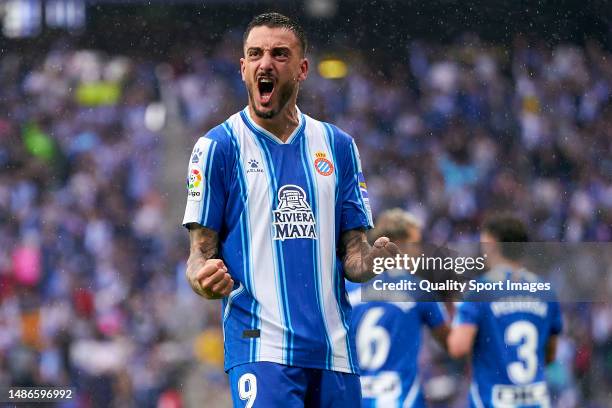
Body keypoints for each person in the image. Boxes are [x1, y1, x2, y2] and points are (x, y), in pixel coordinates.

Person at [181, 12, 399, 408]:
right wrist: (202, 277)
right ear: (243, 67)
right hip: (261, 348)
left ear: (301, 70)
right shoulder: (218, 148)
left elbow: (352, 256)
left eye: (279, 54)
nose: (266, 63)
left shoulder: (338, 146)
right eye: (256, 54)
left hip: (335, 350)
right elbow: (199, 255)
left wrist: (371, 261)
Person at [448, 214, 563, 408]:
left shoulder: (480, 290)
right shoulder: (545, 290)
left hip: (493, 400)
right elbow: (550, 355)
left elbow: (458, 347)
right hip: (535, 401)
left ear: (491, 244)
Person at [348, 209, 450, 407]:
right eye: (416, 243)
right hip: (402, 399)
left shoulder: (348, 288)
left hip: (355, 398)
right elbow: (452, 343)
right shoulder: (418, 289)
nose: (420, 252)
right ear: (396, 243)